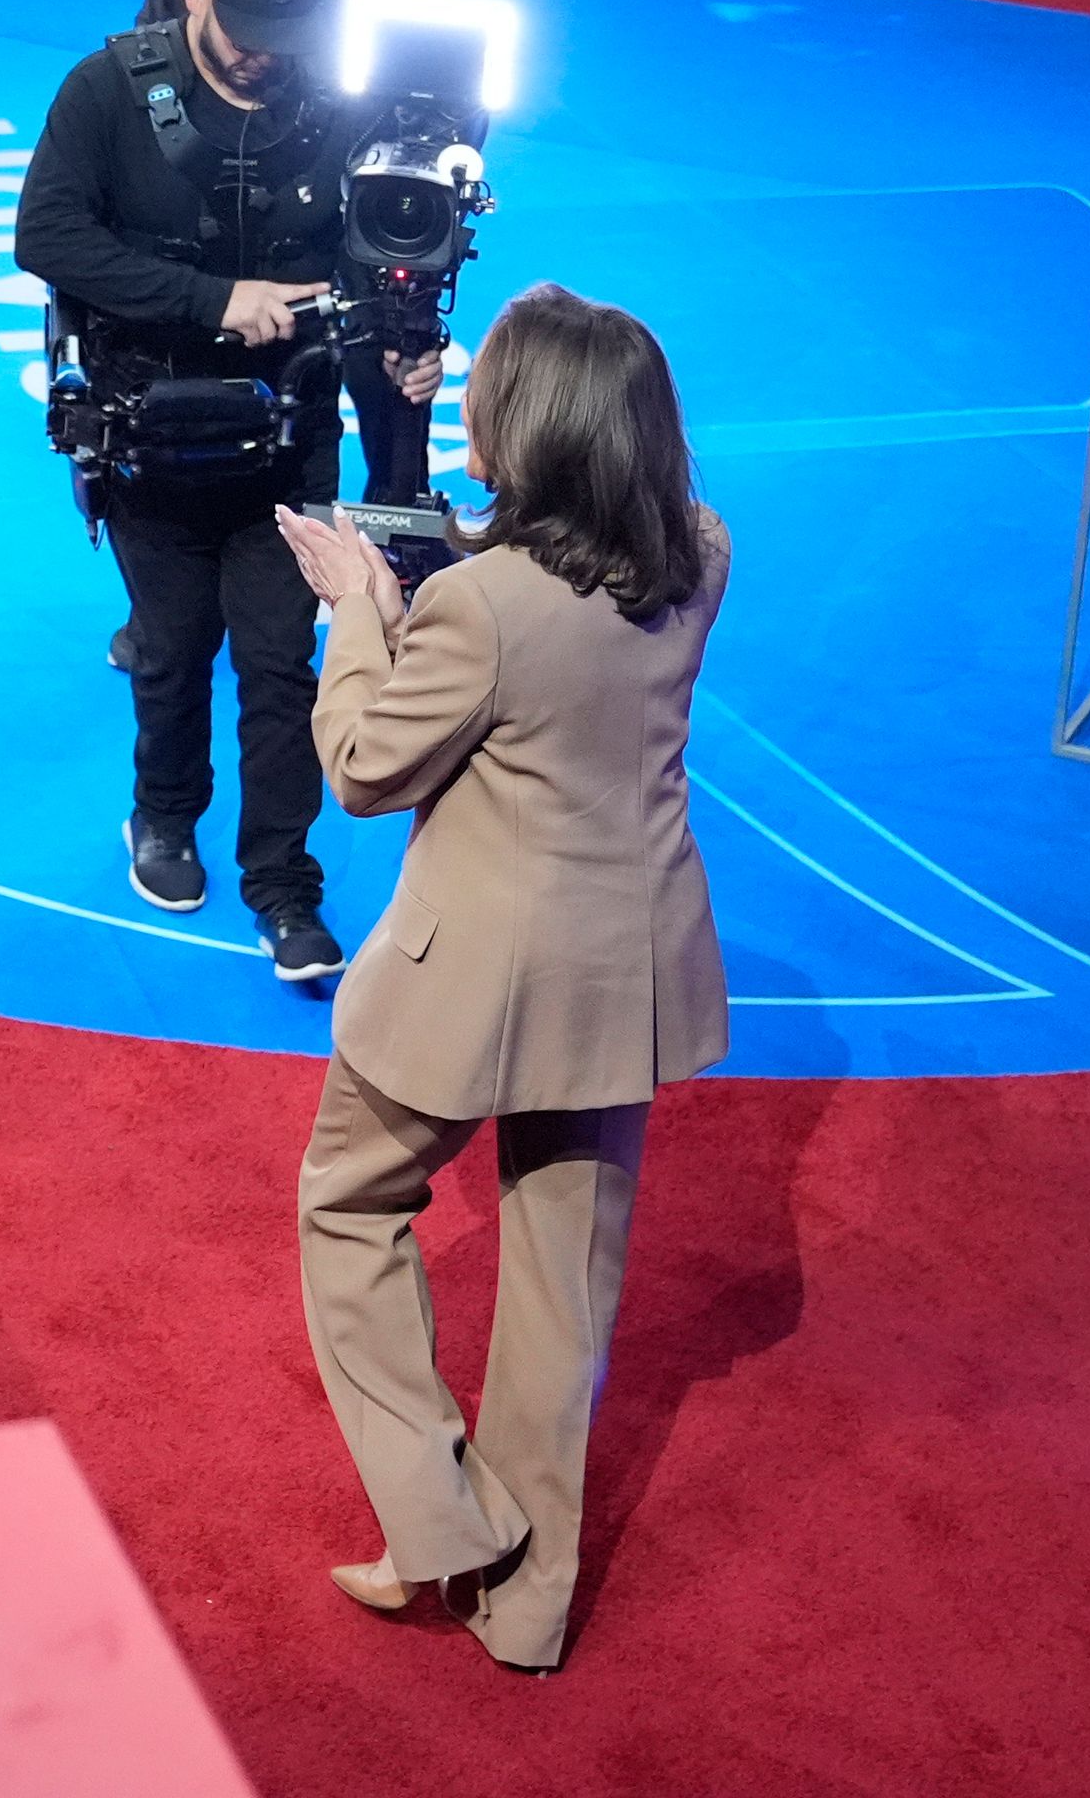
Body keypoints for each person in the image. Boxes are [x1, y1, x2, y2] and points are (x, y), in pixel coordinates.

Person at [275, 284, 729, 1674]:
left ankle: (445, 1520)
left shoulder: (479, 607)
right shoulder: (701, 552)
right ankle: (527, 1606)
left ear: (528, 427)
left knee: (346, 1207)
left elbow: (362, 769)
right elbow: (566, 642)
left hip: (472, 978)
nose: (466, 407)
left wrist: (362, 611)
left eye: (486, 396)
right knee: (560, 1280)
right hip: (628, 967)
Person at [10, 0, 443, 978]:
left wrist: (397, 350)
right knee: (171, 650)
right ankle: (162, 817)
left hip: (286, 442)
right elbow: (46, 233)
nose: (266, 65)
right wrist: (213, 298)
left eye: (287, 49)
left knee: (278, 660)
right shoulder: (109, 88)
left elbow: (367, 254)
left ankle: (284, 881)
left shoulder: (329, 98)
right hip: (147, 437)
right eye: (250, 43)